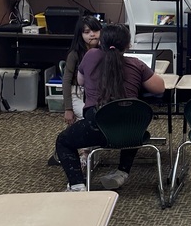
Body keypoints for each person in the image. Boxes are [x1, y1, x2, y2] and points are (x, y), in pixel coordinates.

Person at [55, 23, 165, 191]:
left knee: (63, 141)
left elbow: (81, 81)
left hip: (97, 129)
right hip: (130, 132)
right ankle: (122, 172)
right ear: (128, 45)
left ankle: (77, 185)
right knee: (134, 123)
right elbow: (160, 88)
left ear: (101, 42)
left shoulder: (91, 55)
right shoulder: (137, 64)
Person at [47, 14, 101, 165]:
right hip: (77, 92)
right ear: (80, 35)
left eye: (95, 30)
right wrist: (68, 108)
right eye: (87, 32)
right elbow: (65, 80)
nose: (92, 34)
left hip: (97, 93)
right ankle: (85, 155)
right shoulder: (75, 54)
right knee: (88, 117)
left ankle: (91, 151)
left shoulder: (104, 50)